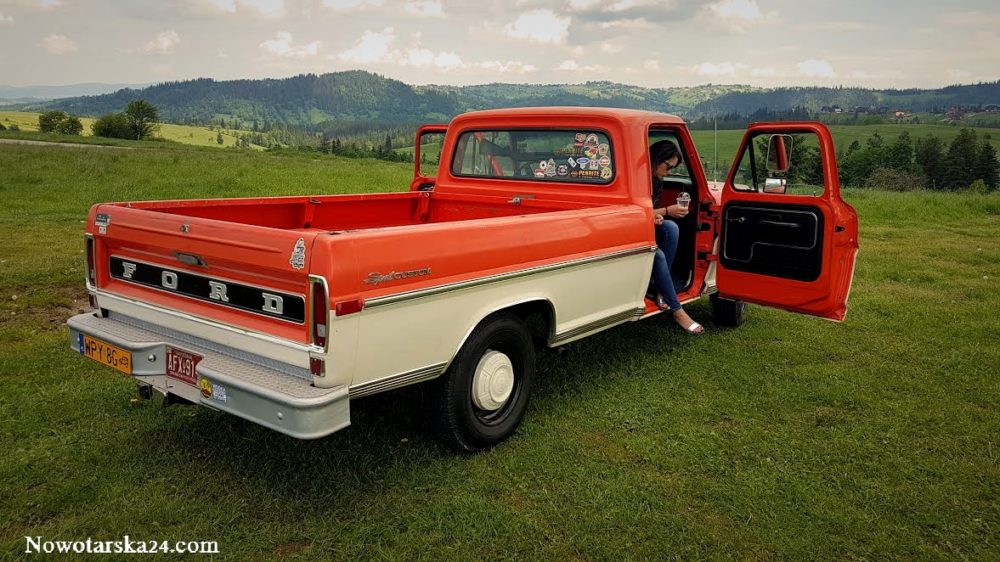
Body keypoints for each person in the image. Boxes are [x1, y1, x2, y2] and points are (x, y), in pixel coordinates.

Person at [648, 139, 704, 335]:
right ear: (656, 159)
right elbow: (634, 212)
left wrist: (658, 215)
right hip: (630, 228)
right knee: (658, 255)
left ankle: (662, 288)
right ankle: (677, 310)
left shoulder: (656, 181)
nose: (669, 171)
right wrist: (665, 210)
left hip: (643, 225)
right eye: (668, 166)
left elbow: (646, 211)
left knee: (671, 228)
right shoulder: (638, 178)